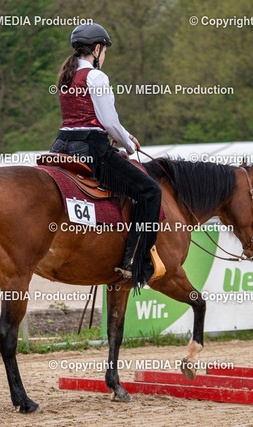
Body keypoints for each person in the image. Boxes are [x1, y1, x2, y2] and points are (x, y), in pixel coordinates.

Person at [50, 23, 162, 288]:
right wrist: (129, 145)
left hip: (60, 146)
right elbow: (108, 122)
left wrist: (126, 135)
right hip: (90, 149)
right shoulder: (96, 77)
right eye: (105, 51)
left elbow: (92, 118)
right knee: (150, 191)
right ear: (97, 49)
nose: (105, 56)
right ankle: (134, 261)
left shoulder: (66, 76)